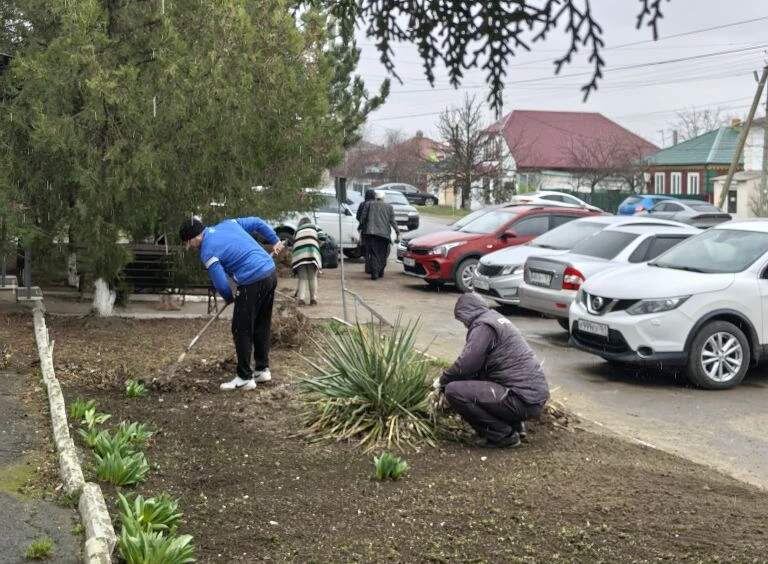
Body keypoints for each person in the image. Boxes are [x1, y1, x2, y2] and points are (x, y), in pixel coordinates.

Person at [179, 216, 284, 391]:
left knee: (240, 328)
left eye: (188, 242)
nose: (189, 247)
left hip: (252, 280)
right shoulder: (229, 224)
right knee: (261, 322)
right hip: (270, 273)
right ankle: (262, 369)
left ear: (196, 236)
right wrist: (275, 240)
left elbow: (220, 283)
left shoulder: (207, 250)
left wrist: (229, 297)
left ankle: (244, 377)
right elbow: (257, 222)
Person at [436, 293, 549, 448]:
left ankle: (503, 435)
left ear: (467, 312)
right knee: (479, 379)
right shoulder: (495, 319)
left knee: (454, 391)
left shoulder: (484, 326)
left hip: (521, 399)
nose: (464, 324)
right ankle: (515, 425)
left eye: (462, 319)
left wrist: (442, 380)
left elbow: (467, 364)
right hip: (532, 396)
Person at [360, 190, 399, 280]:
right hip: (384, 235)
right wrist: (398, 232)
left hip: (371, 233)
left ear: (375, 197)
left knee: (374, 253)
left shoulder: (368, 204)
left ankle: (375, 272)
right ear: (383, 198)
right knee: (383, 254)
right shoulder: (389, 207)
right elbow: (392, 221)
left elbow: (363, 218)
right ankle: (380, 270)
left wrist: (361, 228)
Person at [291, 217, 321, 306]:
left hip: (299, 255)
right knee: (312, 277)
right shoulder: (315, 227)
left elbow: (294, 241)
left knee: (302, 278)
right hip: (312, 253)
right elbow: (323, 237)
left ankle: (301, 299)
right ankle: (313, 299)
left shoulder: (297, 230)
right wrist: (317, 245)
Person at [356, 189, 375, 274]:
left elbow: (358, 216)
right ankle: (374, 265)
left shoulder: (362, 204)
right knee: (375, 249)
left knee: (366, 248)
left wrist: (361, 224)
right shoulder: (376, 204)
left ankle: (367, 267)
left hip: (365, 229)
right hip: (375, 230)